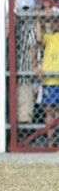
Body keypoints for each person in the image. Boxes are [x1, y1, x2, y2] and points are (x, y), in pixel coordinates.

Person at [34, 11, 59, 144]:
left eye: (57, 21)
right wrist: (39, 20)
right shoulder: (50, 37)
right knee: (50, 110)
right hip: (50, 80)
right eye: (53, 21)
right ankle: (51, 139)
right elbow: (38, 38)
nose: (54, 24)